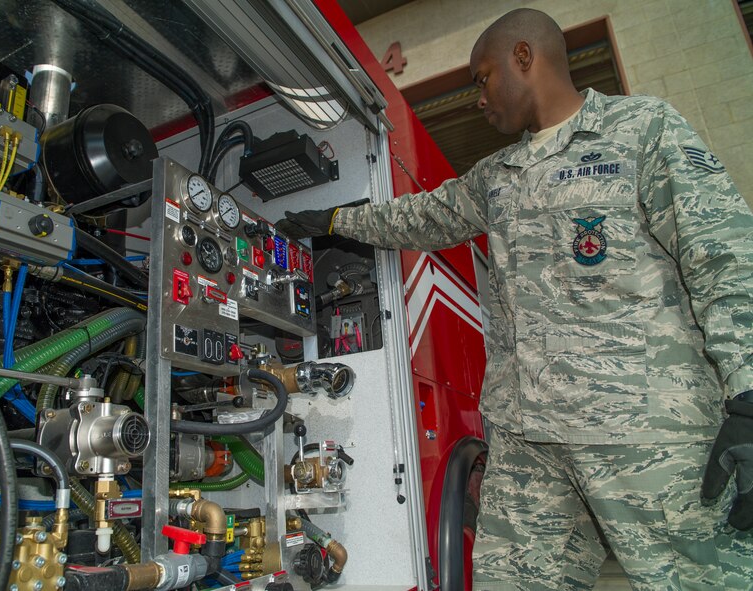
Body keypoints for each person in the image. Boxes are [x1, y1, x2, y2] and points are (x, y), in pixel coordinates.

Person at [278, 8, 753, 590]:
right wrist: (333, 218)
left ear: (523, 57)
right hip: (528, 446)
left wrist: (748, 392)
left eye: (482, 78)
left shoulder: (643, 129)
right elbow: (421, 216)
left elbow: (724, 259)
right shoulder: (498, 175)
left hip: (643, 431)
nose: (478, 97)